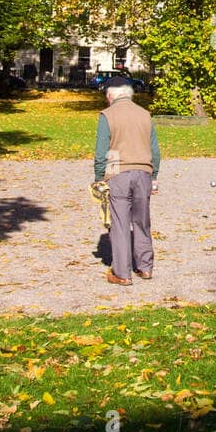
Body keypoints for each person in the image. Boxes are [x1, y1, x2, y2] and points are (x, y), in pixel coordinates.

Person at [94, 83, 161, 285]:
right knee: (142, 221)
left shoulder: (107, 115)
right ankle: (145, 267)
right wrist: (154, 175)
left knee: (120, 224)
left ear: (110, 95)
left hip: (118, 170)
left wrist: (100, 178)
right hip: (143, 171)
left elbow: (102, 150)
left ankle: (122, 273)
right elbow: (155, 150)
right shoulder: (145, 114)